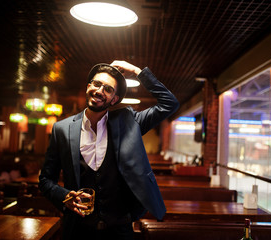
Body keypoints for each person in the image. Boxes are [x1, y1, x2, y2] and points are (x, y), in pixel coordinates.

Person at [38, 60, 179, 239]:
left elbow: (170, 103)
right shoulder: (61, 129)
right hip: (77, 229)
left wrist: (137, 71)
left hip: (120, 230)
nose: (99, 91)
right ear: (88, 86)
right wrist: (65, 197)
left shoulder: (129, 121)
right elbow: (45, 180)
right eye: (96, 84)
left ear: (114, 99)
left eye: (108, 89)